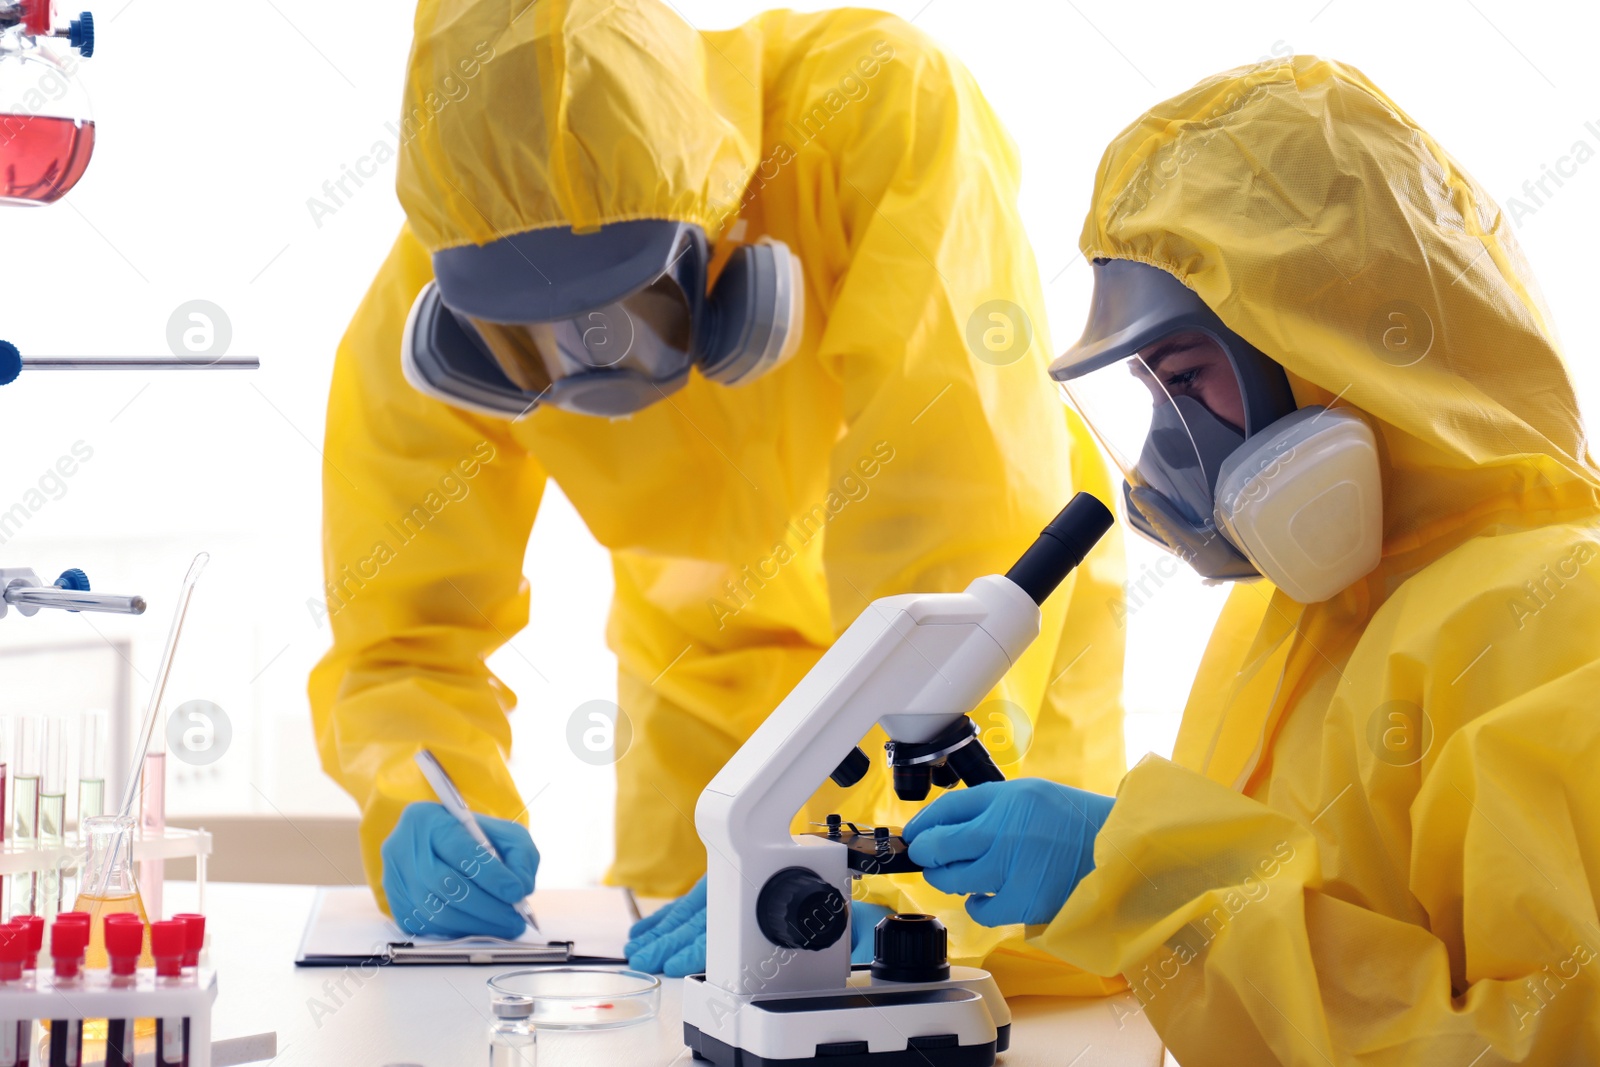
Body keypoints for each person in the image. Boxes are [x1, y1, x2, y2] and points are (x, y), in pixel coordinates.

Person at [309, 0, 1127, 987]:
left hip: (975, 654)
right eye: (535, 341)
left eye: (629, 311)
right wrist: (418, 788)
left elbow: (952, 515)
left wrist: (889, 869)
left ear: (717, 233)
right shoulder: (449, 284)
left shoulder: (873, 111)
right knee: (672, 1004)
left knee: (972, 985)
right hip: (700, 676)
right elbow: (403, 633)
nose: (588, 367)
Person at [904, 55, 1600, 1062]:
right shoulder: (1288, 620)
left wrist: (1135, 869)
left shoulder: (1556, 616)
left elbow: (1534, 1040)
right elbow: (1226, 946)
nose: (1159, 453)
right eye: (1146, 393)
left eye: (1186, 377)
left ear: (1332, 345)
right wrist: (866, 913)